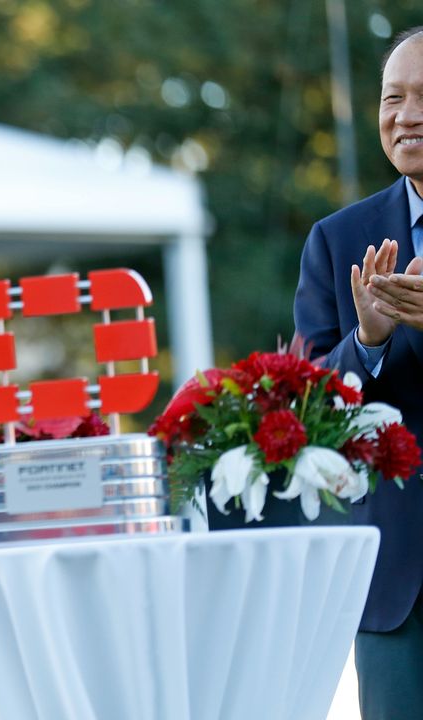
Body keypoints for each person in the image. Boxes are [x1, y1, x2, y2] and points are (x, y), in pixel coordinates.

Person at [294, 26, 423, 720]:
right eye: (393, 97)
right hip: (396, 580)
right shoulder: (338, 240)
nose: (407, 115)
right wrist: (366, 339)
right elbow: (302, 415)